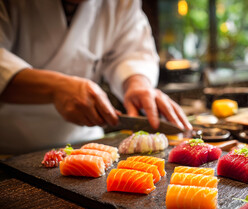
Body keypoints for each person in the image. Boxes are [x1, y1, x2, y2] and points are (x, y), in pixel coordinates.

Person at [0, 0, 192, 154]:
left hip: (86, 143)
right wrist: (54, 87)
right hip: (11, 145)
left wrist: (137, 83)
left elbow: (132, 51)